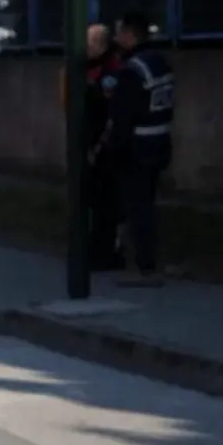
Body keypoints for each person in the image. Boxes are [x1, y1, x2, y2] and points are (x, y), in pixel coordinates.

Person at [110, 11, 173, 286]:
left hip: (137, 148)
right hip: (160, 143)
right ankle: (149, 263)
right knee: (147, 205)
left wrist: (114, 149)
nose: (115, 36)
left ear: (131, 34)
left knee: (138, 209)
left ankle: (144, 267)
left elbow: (123, 117)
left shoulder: (132, 71)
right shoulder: (160, 63)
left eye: (119, 31)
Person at [84, 23, 125, 271]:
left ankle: (106, 252)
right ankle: (97, 249)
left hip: (105, 146)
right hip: (92, 143)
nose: (85, 49)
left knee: (106, 202)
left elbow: (111, 111)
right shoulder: (91, 67)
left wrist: (100, 144)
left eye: (89, 44)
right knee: (95, 201)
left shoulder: (111, 69)